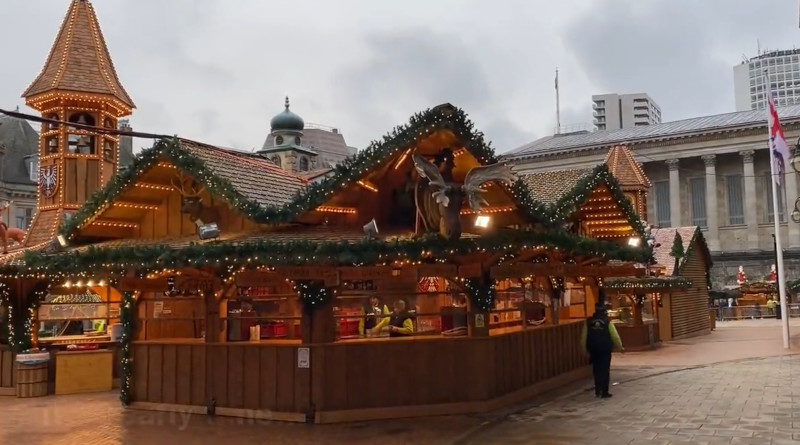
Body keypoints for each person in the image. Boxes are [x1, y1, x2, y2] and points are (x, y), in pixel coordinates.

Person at [580, 303, 624, 398]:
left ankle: (597, 390)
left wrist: (584, 350)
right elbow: (615, 336)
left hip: (593, 349)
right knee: (605, 370)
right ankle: (604, 391)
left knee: (596, 370)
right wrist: (620, 347)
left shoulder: (588, 322)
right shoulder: (607, 322)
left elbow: (583, 337)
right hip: (605, 349)